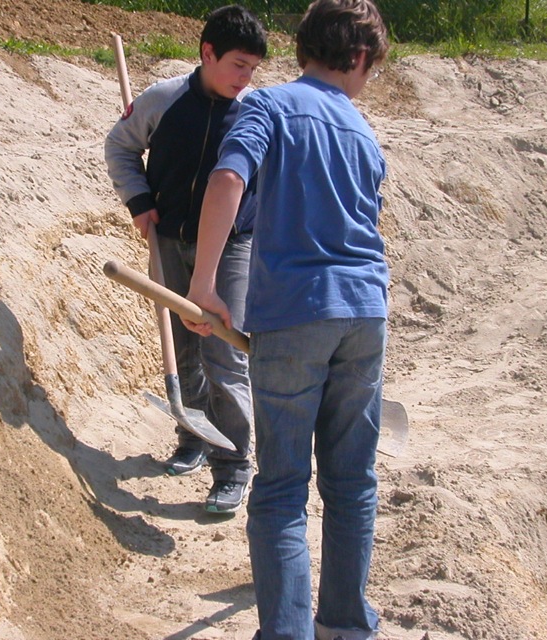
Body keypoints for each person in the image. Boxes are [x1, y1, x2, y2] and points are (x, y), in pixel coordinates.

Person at [183, 0, 390, 636]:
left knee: (280, 489)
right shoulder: (361, 130)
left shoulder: (268, 107)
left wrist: (204, 283)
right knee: (352, 480)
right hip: (365, 313)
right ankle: (347, 623)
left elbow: (227, 181)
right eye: (370, 68)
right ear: (356, 58)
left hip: (295, 316)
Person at [104, 5, 267, 513]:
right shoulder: (164, 99)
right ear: (208, 53)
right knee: (182, 344)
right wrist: (139, 202)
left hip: (233, 247)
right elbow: (120, 146)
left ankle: (235, 464)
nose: (246, 78)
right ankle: (193, 435)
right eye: (238, 64)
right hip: (171, 239)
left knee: (223, 349)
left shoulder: (256, 112)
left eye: (253, 69)